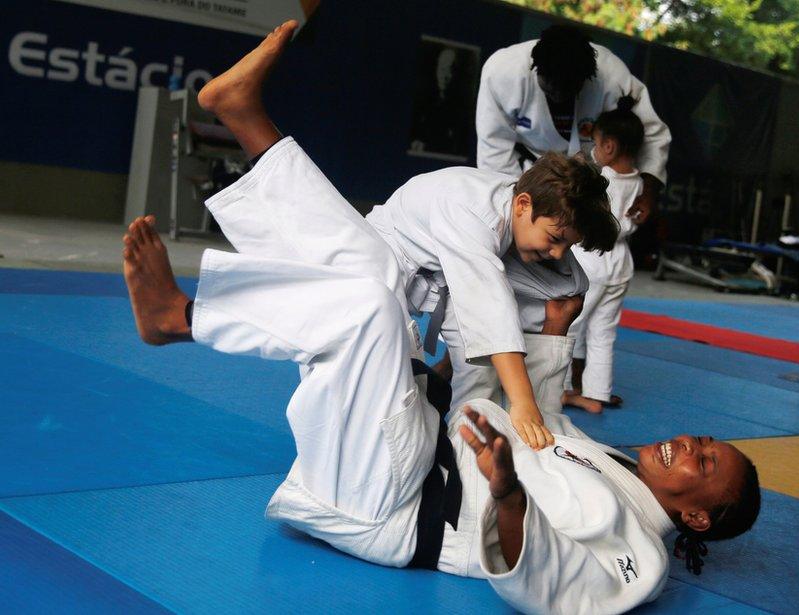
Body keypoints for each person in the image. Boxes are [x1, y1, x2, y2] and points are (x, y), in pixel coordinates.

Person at [120, 174, 760, 615]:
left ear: (696, 518)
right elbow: (520, 418)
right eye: (704, 441)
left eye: (703, 462)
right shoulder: (604, 460)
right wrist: (555, 338)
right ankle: (254, 136)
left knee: (369, 310)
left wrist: (508, 493)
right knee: (372, 279)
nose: (687, 444)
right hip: (416, 448)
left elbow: (541, 583)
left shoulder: (641, 560)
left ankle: (181, 318)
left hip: (391, 501)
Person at [196, 21, 619, 451]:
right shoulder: (471, 210)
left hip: (440, 278)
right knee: (350, 293)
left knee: (557, 294)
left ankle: (465, 429)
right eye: (555, 238)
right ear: (524, 204)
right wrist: (525, 404)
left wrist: (556, 334)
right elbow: (488, 308)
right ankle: (242, 114)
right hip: (389, 253)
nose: (557, 251)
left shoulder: (531, 220)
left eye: (568, 244)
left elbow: (561, 287)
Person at [475, 24, 670, 201]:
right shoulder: (503, 73)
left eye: (569, 89)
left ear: (586, 78)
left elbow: (651, 133)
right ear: (536, 69)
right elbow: (494, 152)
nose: (559, 95)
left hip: (593, 176)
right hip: (529, 169)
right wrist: (516, 200)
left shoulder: (611, 76)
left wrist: (648, 192)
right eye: (551, 87)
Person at [563, 96, 650, 413]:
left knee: (570, 324)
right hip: (620, 265)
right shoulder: (638, 181)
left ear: (609, 147)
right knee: (603, 331)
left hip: (592, 262)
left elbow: (595, 219)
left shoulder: (603, 180)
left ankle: (560, 387)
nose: (594, 150)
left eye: (596, 144)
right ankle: (598, 390)